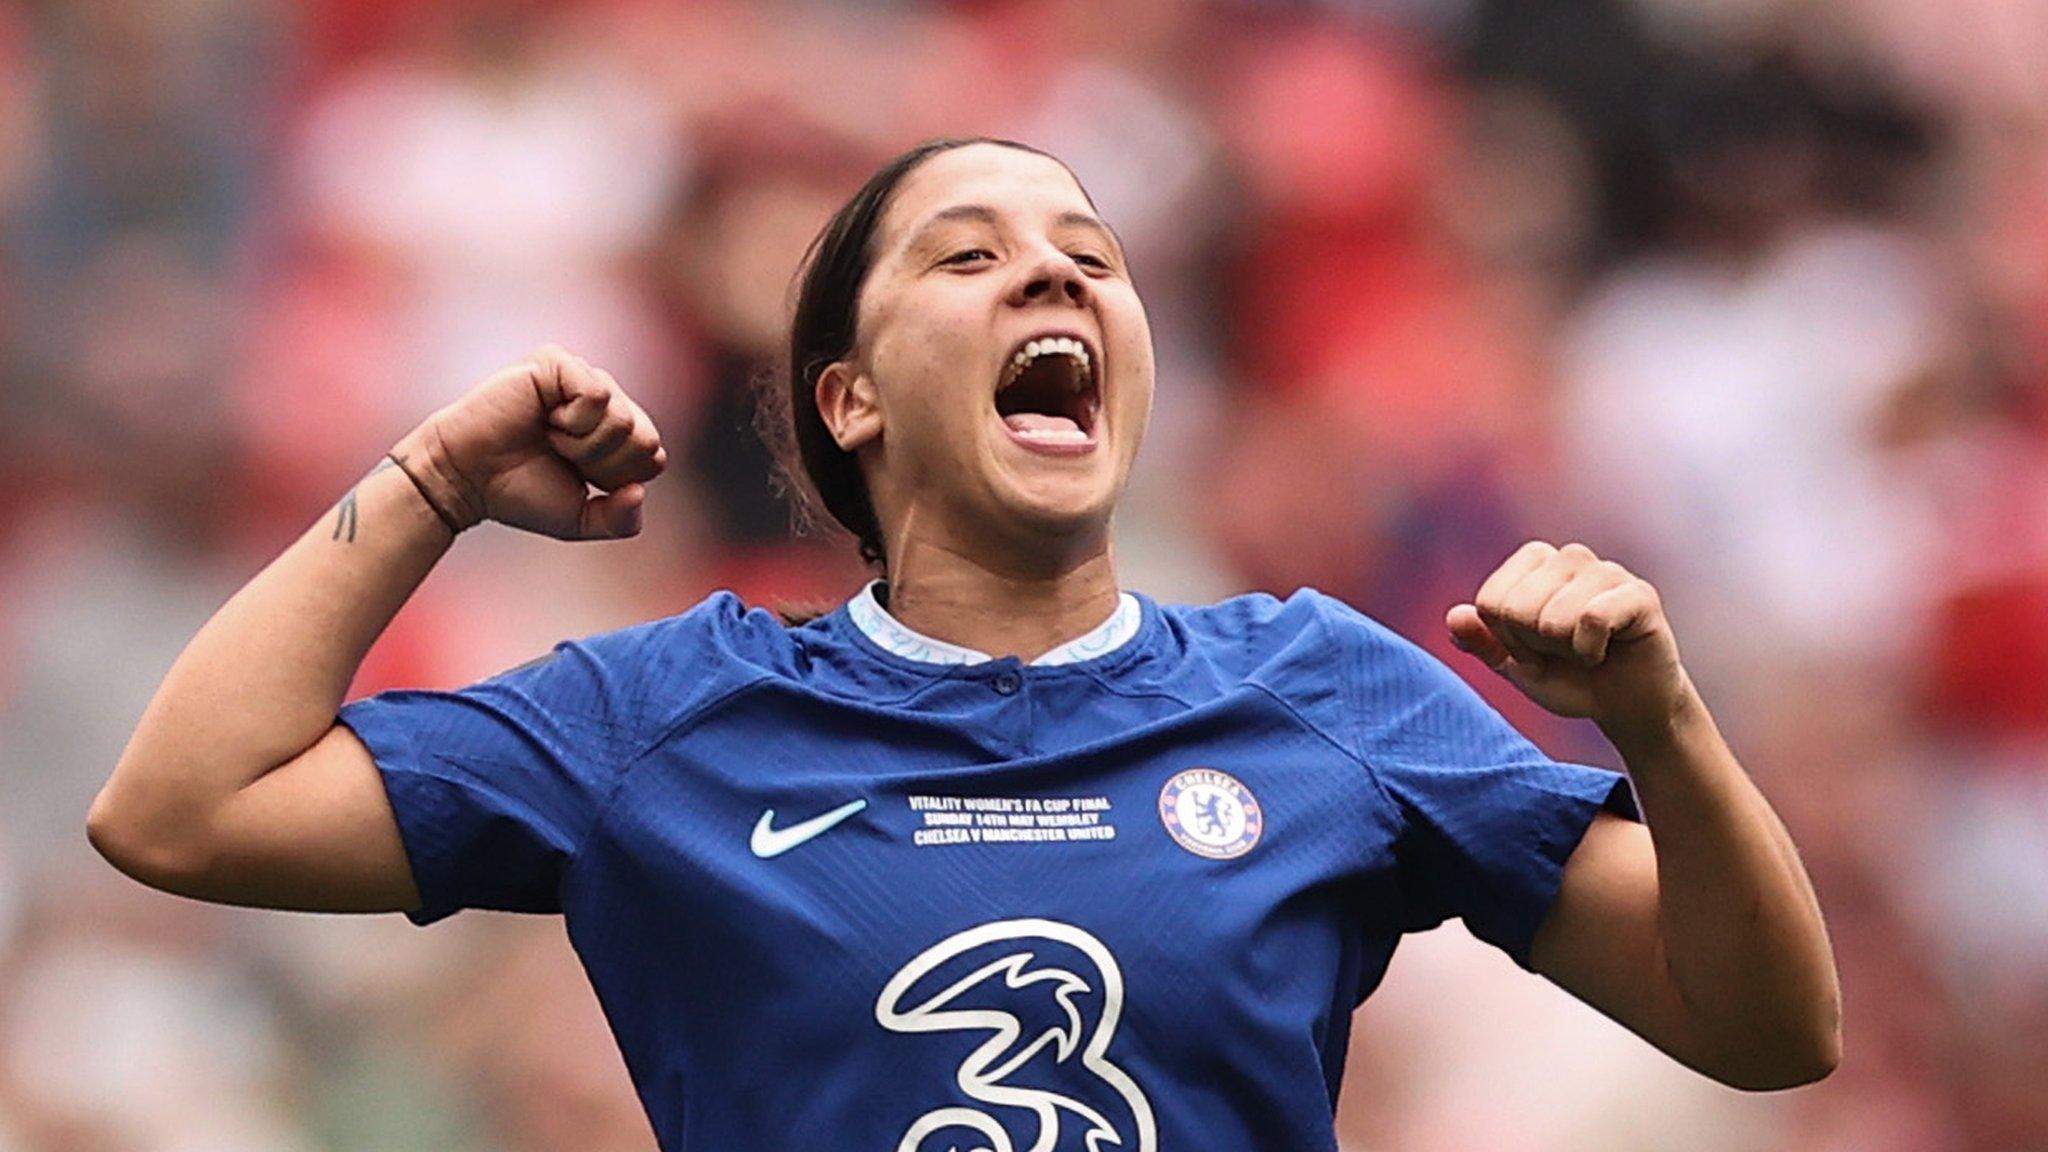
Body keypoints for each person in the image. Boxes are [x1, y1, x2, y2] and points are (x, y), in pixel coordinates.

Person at [87, 137, 1840, 1150]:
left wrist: (1662, 727)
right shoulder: (670, 710)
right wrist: (432, 481)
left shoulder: (1320, 687)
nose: (1055, 281)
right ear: (846, 398)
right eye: (971, 256)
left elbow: (1766, 1032)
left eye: (1092, 255)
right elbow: (181, 811)